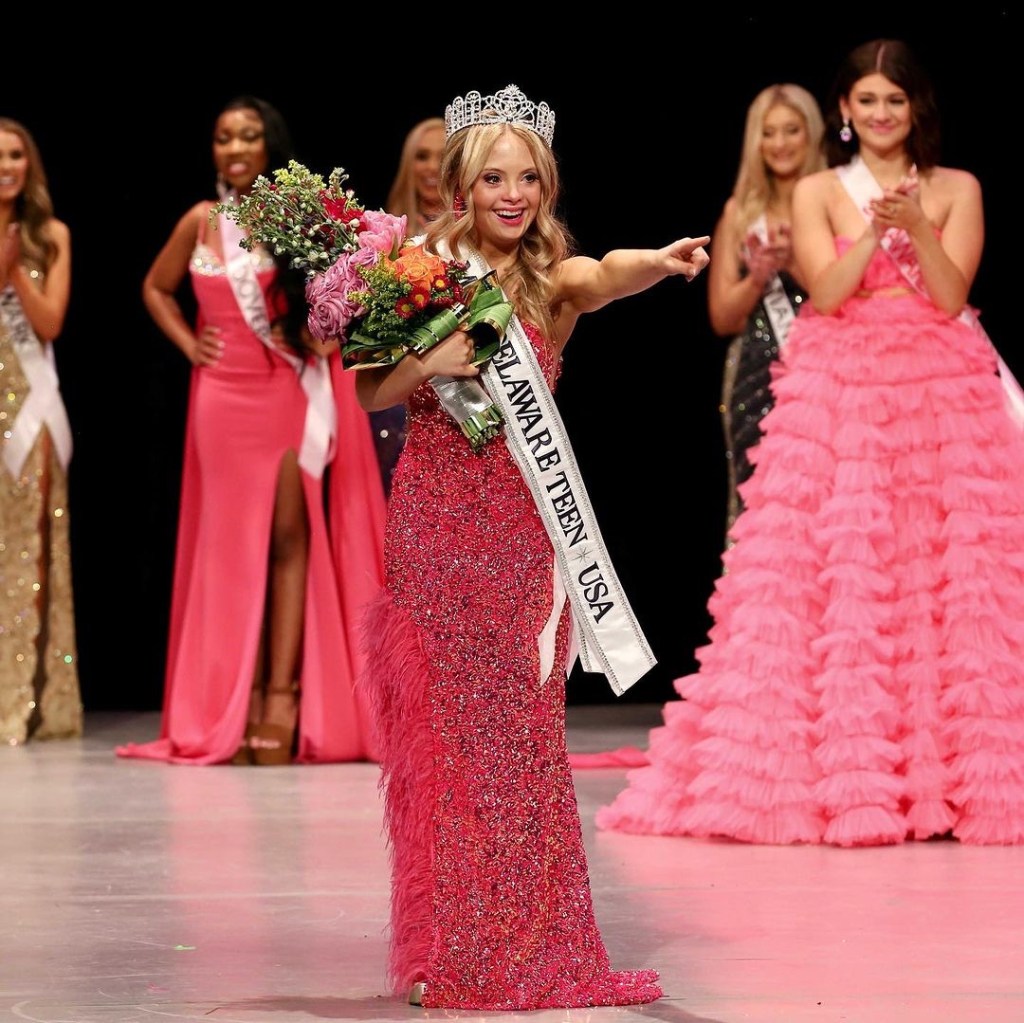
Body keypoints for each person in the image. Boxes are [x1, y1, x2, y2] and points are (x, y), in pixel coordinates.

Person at [597, 39, 1024, 847]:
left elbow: (948, 294)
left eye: (895, 101)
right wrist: (876, 229)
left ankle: (950, 777)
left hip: (942, 387)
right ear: (846, 112)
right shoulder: (822, 189)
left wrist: (917, 229)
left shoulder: (957, 187)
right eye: (867, 100)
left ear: (916, 110)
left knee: (945, 567)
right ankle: (853, 773)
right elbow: (826, 292)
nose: (881, 114)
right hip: (845, 385)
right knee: (851, 568)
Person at [355, 84, 709, 1010]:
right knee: (452, 742)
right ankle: (456, 947)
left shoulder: (552, 280)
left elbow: (606, 272)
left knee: (519, 743)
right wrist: (433, 361)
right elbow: (367, 391)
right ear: (463, 186)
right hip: (434, 527)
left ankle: (527, 947)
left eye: (528, 179)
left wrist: (662, 263)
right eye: (494, 179)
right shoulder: (419, 270)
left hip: (521, 536)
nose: (511, 195)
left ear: (545, 188)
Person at [117, 96, 386, 766]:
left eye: (247, 137)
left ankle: (282, 697)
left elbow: (343, 290)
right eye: (222, 138)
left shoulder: (295, 215)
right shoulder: (200, 221)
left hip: (283, 392)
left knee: (289, 539)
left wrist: (323, 333)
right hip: (218, 398)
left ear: (269, 147)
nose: (234, 149)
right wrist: (189, 344)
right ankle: (223, 705)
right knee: (226, 548)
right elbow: (155, 287)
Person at [710, 84, 825, 539]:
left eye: (791, 131)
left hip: (829, 374)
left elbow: (851, 298)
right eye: (768, 132)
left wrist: (793, 259)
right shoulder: (740, 212)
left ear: (811, 134)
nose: (779, 144)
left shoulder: (836, 202)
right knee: (765, 515)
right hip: (756, 381)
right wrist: (758, 274)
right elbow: (723, 317)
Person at [0, 118, 82, 745]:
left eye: (15, 155)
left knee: (28, 552)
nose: (6, 166)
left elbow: (50, 323)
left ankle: (22, 698)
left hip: (27, 410)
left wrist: (14, 273)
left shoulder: (50, 236)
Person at [369, 117, 448, 498]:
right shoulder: (381, 238)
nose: (432, 167)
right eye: (422, 156)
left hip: (455, 398)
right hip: (394, 394)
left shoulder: (480, 239)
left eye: (443, 157)